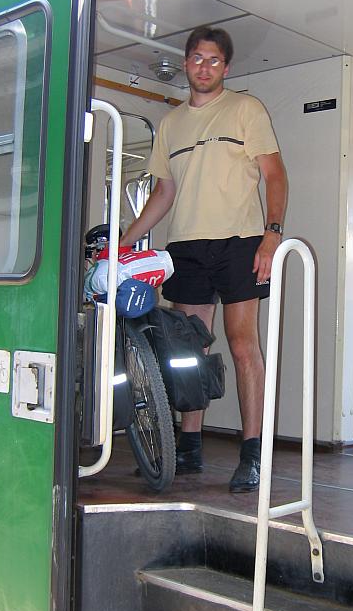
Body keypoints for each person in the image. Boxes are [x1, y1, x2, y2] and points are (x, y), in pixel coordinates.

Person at [121, 25, 287, 493]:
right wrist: (126, 242)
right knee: (188, 351)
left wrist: (272, 235)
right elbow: (164, 192)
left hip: (239, 242)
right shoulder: (171, 124)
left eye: (214, 60)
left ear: (225, 67)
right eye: (197, 58)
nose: (204, 66)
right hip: (187, 247)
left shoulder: (246, 109)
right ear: (186, 63)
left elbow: (275, 175)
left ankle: (252, 454)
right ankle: (189, 447)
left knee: (242, 344)